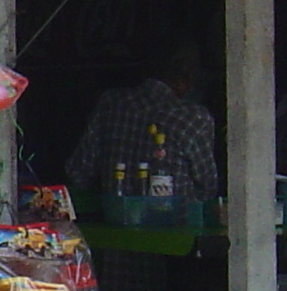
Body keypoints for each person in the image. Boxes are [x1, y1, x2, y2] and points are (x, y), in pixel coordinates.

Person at [67, 39, 221, 207]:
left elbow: (79, 171)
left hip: (114, 224)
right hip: (178, 229)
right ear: (189, 74)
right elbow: (207, 187)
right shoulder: (193, 118)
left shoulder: (111, 103)